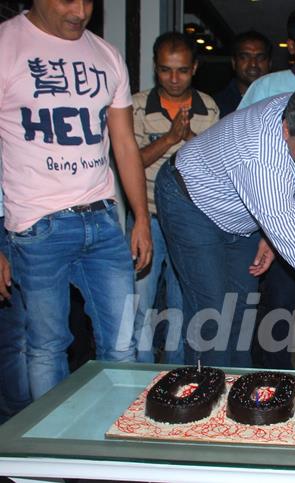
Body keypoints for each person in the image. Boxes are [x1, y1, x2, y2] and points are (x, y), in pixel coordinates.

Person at [0, 0, 152, 399]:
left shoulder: (105, 55)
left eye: (89, 0)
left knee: (122, 343)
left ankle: (114, 443)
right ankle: (47, 452)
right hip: (37, 226)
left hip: (102, 220)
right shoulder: (6, 45)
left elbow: (123, 142)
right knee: (48, 346)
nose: (80, 10)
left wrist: (140, 218)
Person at [155, 82, 295, 368]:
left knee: (241, 310)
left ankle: (237, 393)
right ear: (286, 130)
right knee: (213, 315)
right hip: (190, 201)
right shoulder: (261, 156)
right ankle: (207, 396)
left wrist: (269, 228)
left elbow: (288, 196)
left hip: (240, 213)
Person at [131, 32, 219, 363]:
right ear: (156, 69)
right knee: (141, 303)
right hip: (148, 216)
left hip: (190, 220)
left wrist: (190, 137)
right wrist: (170, 138)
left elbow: (217, 163)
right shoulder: (137, 104)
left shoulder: (207, 106)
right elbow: (131, 160)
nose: (174, 78)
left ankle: (174, 376)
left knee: (182, 306)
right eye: (166, 70)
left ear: (194, 68)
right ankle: (138, 378)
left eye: (182, 70)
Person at [0, 190, 31, 422]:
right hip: (6, 222)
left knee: (40, 337)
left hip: (34, 214)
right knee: (17, 338)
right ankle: (16, 424)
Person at [213, 31, 272, 118]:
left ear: (269, 63)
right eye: (245, 57)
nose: (253, 64)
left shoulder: (281, 100)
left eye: (260, 58)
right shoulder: (217, 105)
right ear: (234, 63)